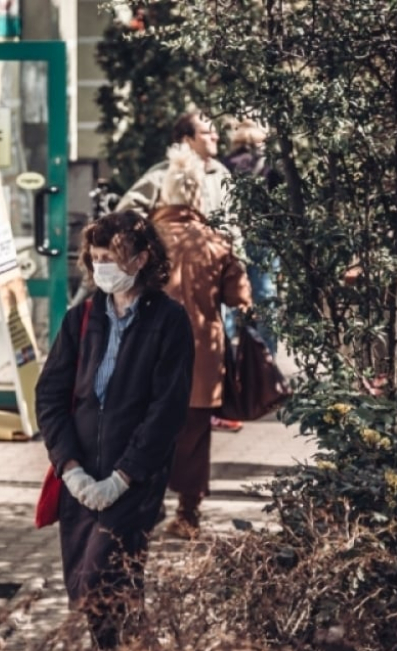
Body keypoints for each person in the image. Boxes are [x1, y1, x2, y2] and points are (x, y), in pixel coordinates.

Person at [36, 211, 193, 649]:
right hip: (81, 478)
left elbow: (167, 409)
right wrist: (70, 469)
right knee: (87, 591)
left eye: (113, 256)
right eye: (97, 255)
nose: (101, 264)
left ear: (142, 259)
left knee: (102, 580)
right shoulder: (81, 320)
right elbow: (50, 397)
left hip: (133, 481)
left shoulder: (168, 321)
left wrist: (123, 477)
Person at [115, 111, 245, 432]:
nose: (215, 137)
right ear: (187, 139)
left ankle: (206, 410)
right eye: (206, 132)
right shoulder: (161, 175)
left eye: (215, 132)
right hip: (168, 277)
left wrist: (235, 256)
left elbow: (234, 224)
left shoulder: (221, 174)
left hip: (213, 273)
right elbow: (126, 213)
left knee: (208, 346)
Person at [150, 144, 252, 539]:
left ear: (166, 193)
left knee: (148, 431)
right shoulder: (216, 241)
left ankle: (147, 505)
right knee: (192, 438)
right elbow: (239, 300)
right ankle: (187, 515)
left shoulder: (145, 240)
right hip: (202, 357)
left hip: (150, 356)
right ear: (197, 196)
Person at [223, 119, 281, 356]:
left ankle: (227, 361)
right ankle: (269, 362)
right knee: (266, 300)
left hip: (233, 238)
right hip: (264, 240)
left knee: (230, 300)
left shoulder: (225, 165)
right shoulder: (270, 166)